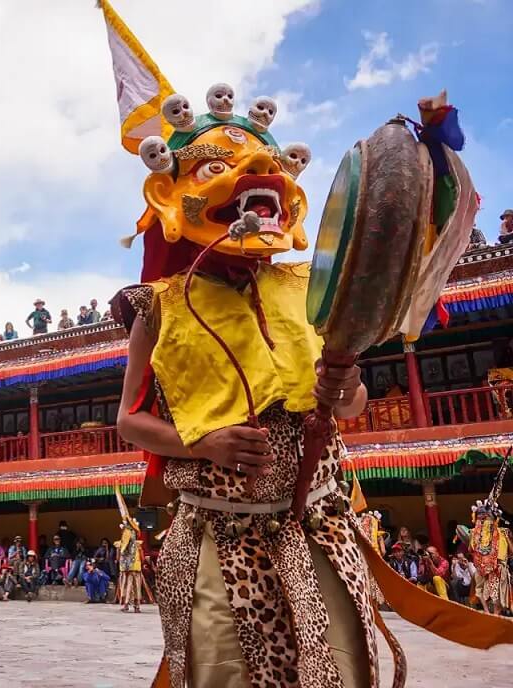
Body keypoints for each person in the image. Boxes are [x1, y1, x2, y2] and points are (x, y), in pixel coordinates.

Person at [107, 85, 479, 685]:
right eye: (216, 167)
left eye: (271, 167)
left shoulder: (315, 284)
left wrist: (348, 383)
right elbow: (129, 420)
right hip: (215, 539)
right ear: (170, 195)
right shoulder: (156, 307)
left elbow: (352, 404)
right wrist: (205, 444)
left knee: (338, 670)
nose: (259, 177)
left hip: (318, 531)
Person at [117, 517, 144, 613]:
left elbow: (123, 549)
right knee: (132, 585)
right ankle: (133, 605)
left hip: (132, 565)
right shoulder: (131, 537)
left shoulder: (128, 533)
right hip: (130, 565)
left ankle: (129, 604)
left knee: (129, 585)